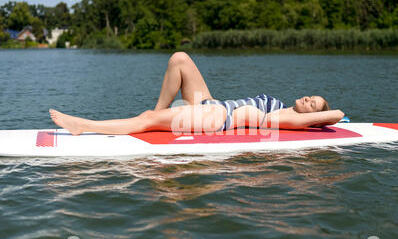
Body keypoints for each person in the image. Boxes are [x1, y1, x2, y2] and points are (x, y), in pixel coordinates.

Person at [49, 52, 344, 136]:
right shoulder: (282, 105)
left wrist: (323, 115)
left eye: (312, 104)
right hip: (212, 102)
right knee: (179, 59)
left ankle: (82, 126)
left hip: (217, 118)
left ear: (314, 117)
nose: (306, 99)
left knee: (149, 118)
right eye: (310, 96)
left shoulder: (289, 120)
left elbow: (338, 115)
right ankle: (154, 119)